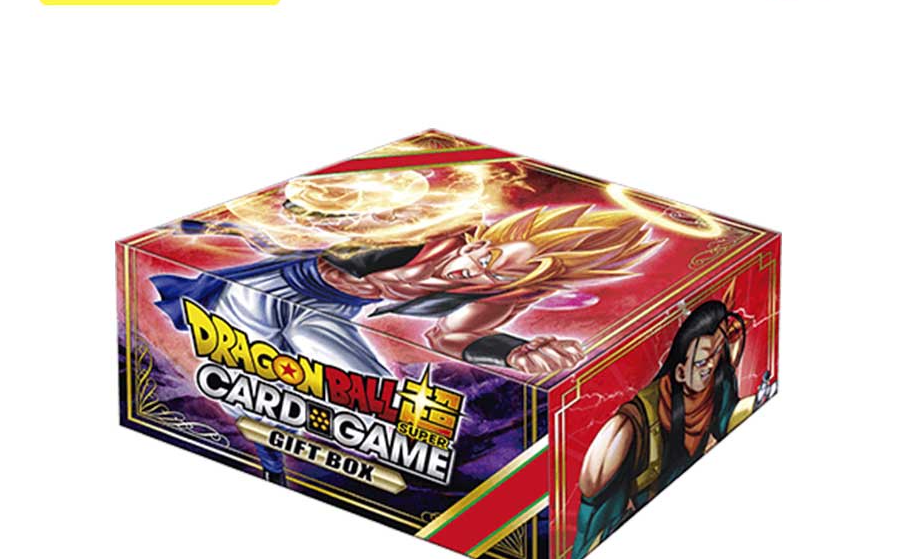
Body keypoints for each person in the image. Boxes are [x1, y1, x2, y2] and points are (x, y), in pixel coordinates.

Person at [152, 204, 658, 482]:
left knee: (374, 393)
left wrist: (513, 351)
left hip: (323, 316)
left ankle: (290, 466)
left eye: (500, 274)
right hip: (266, 292)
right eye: (488, 255)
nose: (477, 269)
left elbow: (452, 336)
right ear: (487, 238)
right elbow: (307, 238)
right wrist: (225, 225)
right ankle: (268, 468)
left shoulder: (501, 294)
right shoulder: (439, 234)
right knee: (249, 385)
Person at [570, 299, 758, 559]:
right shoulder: (633, 427)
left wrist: (759, 400)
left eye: (717, 353)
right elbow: (593, 503)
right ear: (680, 371)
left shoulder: (718, 381)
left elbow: (727, 417)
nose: (711, 365)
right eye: (703, 361)